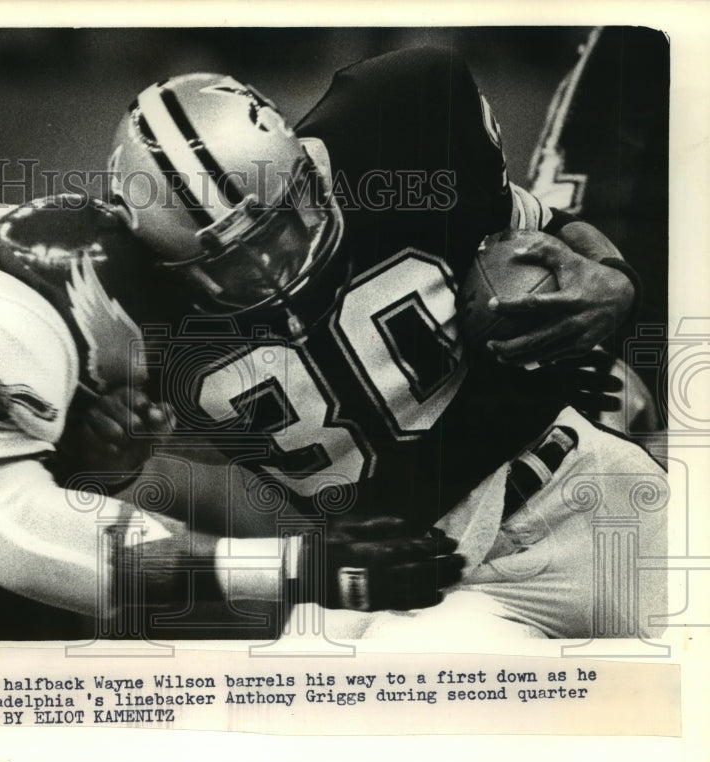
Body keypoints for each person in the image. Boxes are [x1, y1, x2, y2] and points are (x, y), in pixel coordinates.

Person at [94, 48, 668, 640]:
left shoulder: (391, 142)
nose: (271, 267)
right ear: (165, 262)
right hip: (398, 575)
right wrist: (110, 453)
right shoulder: (130, 311)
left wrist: (613, 277)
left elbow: (540, 225)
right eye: (232, 263)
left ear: (305, 167)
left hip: (576, 493)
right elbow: (101, 474)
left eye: (279, 225)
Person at [0, 189, 464, 641]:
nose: (159, 399)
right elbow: (8, 533)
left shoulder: (28, 273)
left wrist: (79, 466)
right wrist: (298, 570)